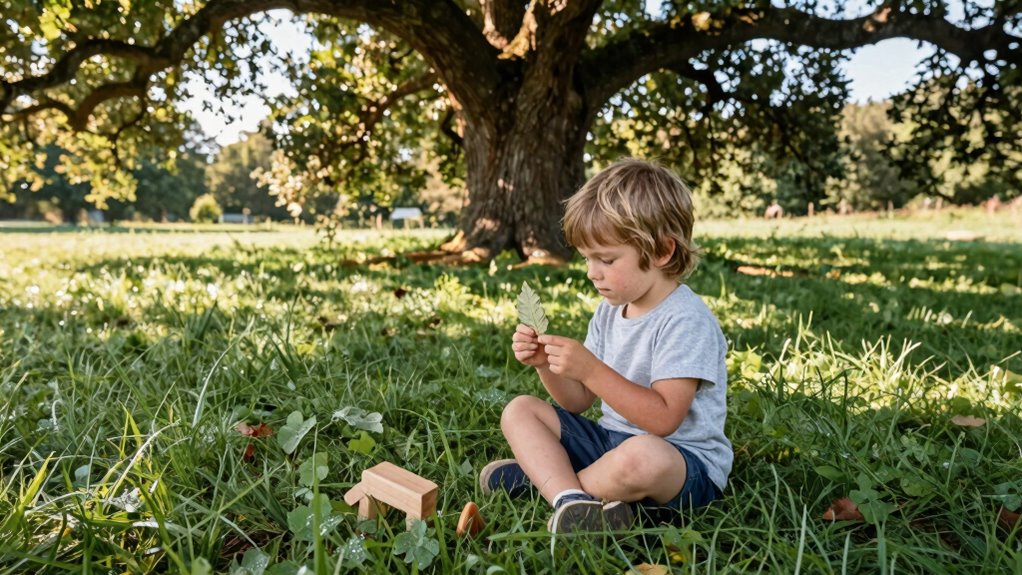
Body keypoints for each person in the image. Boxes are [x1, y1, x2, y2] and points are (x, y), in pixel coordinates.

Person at [480, 158, 732, 534]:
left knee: (643, 457)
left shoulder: (686, 320)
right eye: (587, 258)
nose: (591, 272)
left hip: (681, 466)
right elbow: (578, 401)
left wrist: (591, 369)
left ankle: (549, 484)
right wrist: (545, 364)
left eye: (607, 259)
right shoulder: (610, 310)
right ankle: (573, 500)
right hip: (611, 445)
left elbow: (664, 420)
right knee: (521, 410)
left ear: (662, 252)